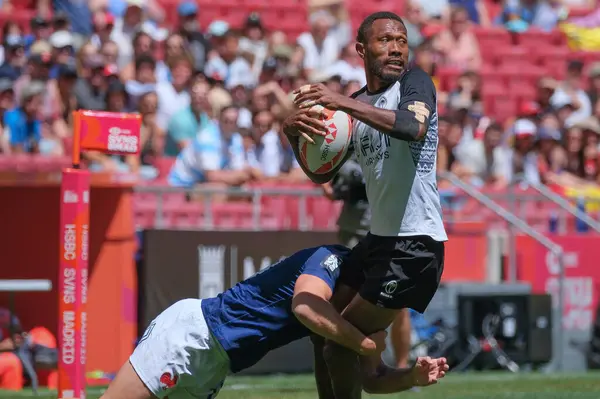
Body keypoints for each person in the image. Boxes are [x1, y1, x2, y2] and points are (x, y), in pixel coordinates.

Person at [283, 11, 447, 398]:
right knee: (320, 328)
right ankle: (387, 375)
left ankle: (385, 372)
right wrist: (292, 135)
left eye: (402, 41)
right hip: (379, 242)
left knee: (340, 344)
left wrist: (340, 102)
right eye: (385, 41)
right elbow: (322, 174)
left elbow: (412, 127)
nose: (396, 49)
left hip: (414, 246)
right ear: (361, 49)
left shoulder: (415, 83)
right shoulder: (355, 104)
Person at [100, 245, 448, 399]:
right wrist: (364, 342)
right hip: (193, 337)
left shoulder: (345, 318)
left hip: (216, 366)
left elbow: (371, 380)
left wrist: (412, 377)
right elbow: (304, 307)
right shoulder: (330, 259)